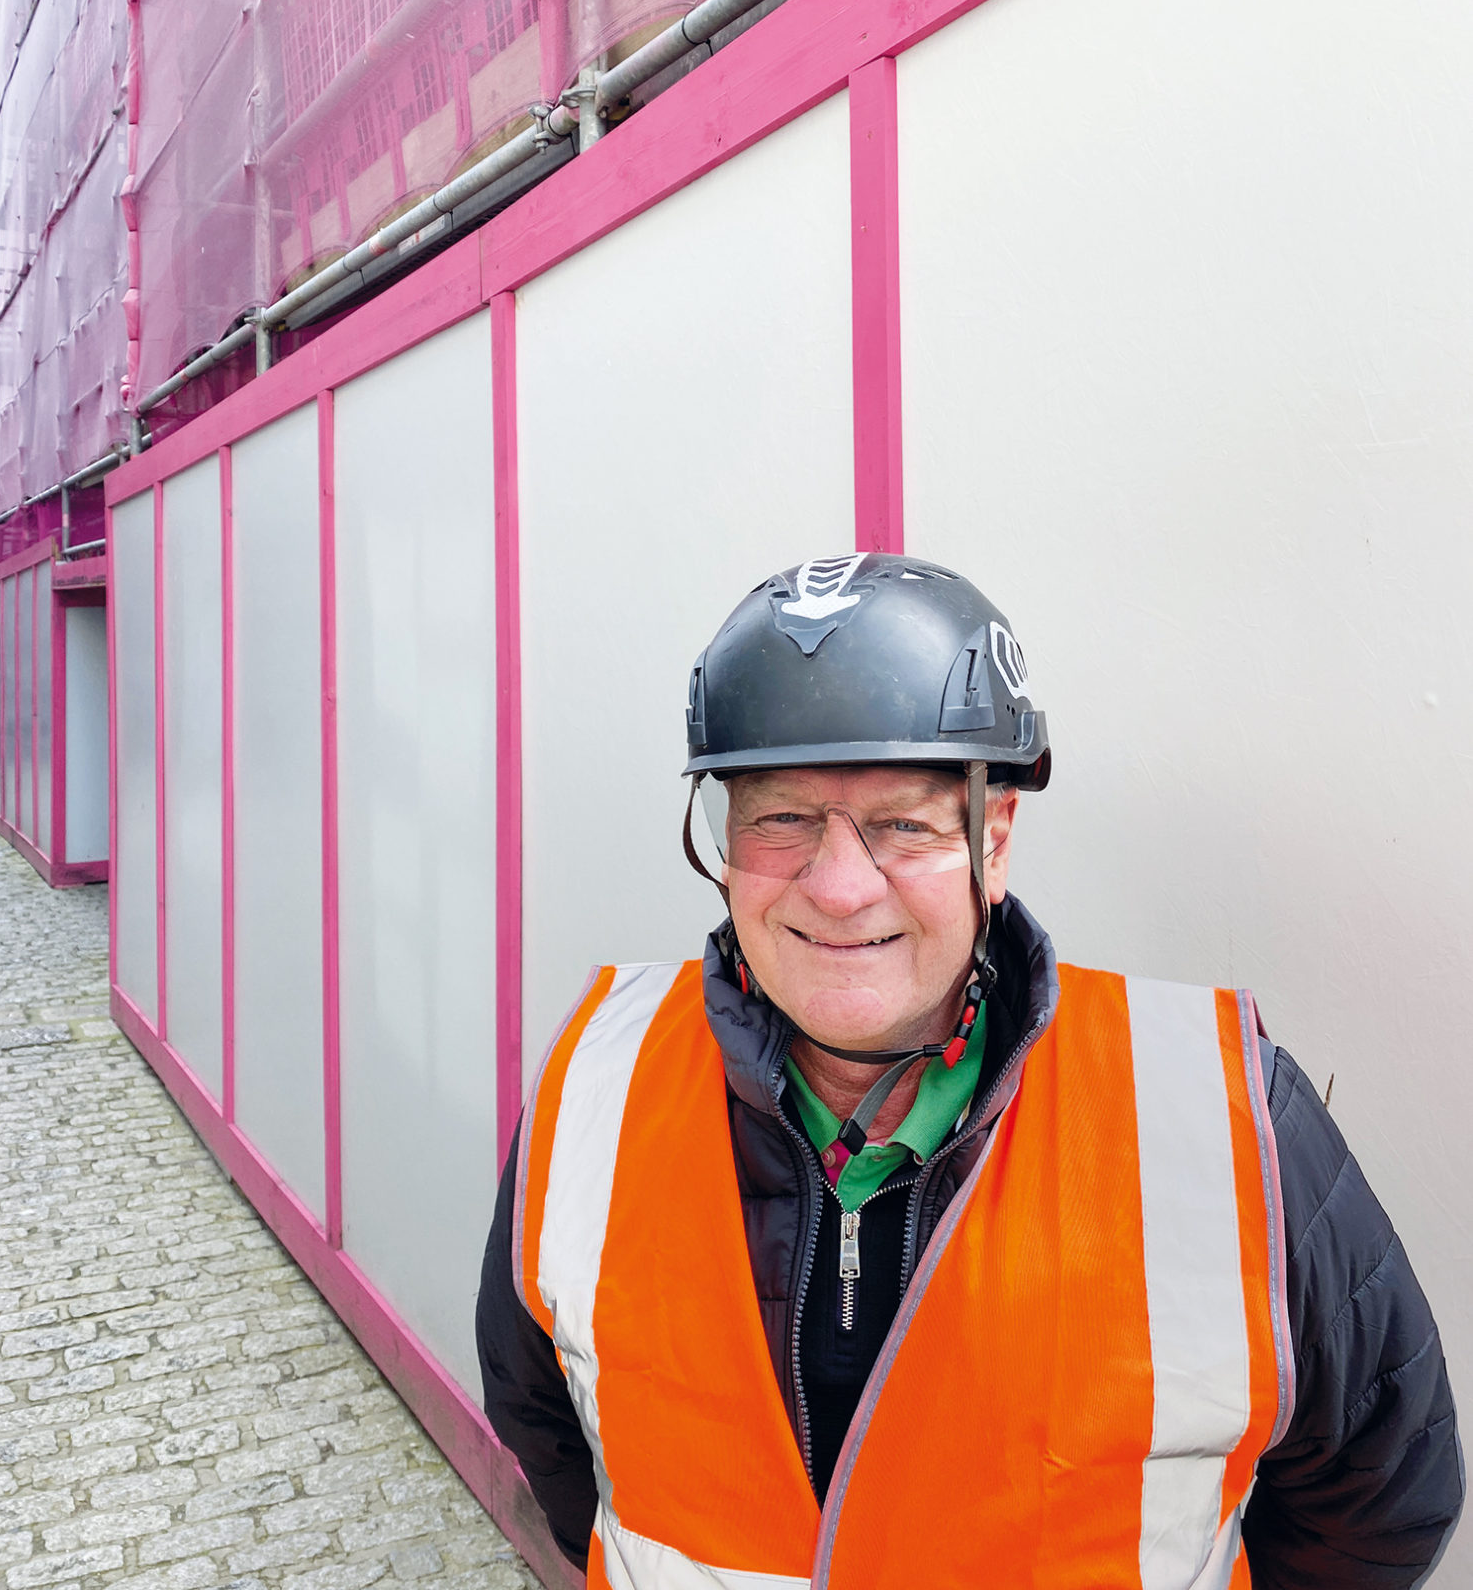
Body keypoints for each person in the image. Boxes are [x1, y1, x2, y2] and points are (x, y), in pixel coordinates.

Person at [477, 553, 1463, 1588]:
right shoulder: (599, 1075)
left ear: (994, 838)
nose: (840, 886)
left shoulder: (1221, 1117)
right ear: (722, 841)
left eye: (903, 823)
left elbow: (1376, 1496)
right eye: (781, 818)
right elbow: (547, 1423)